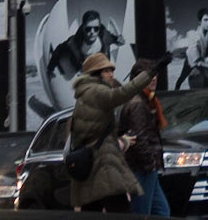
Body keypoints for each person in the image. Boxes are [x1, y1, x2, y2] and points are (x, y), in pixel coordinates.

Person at [69, 50, 161, 213]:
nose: (111, 74)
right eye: (106, 70)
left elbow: (93, 133)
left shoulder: (85, 94)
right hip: (104, 163)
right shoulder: (96, 91)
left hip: (94, 163)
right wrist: (150, 73)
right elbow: (122, 93)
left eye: (112, 70)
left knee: (92, 209)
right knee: (120, 209)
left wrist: (123, 141)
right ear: (95, 74)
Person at [119, 71, 169, 217]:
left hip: (146, 168)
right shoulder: (137, 104)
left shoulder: (147, 99)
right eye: (149, 76)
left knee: (161, 211)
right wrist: (150, 163)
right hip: (141, 168)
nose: (154, 78)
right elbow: (139, 138)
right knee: (143, 213)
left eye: (155, 75)